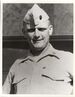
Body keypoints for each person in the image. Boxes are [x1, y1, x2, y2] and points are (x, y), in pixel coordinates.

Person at [3, 4, 73, 94]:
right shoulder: (16, 66)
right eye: (31, 30)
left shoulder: (68, 59)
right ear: (24, 33)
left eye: (41, 29)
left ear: (50, 30)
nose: (37, 35)